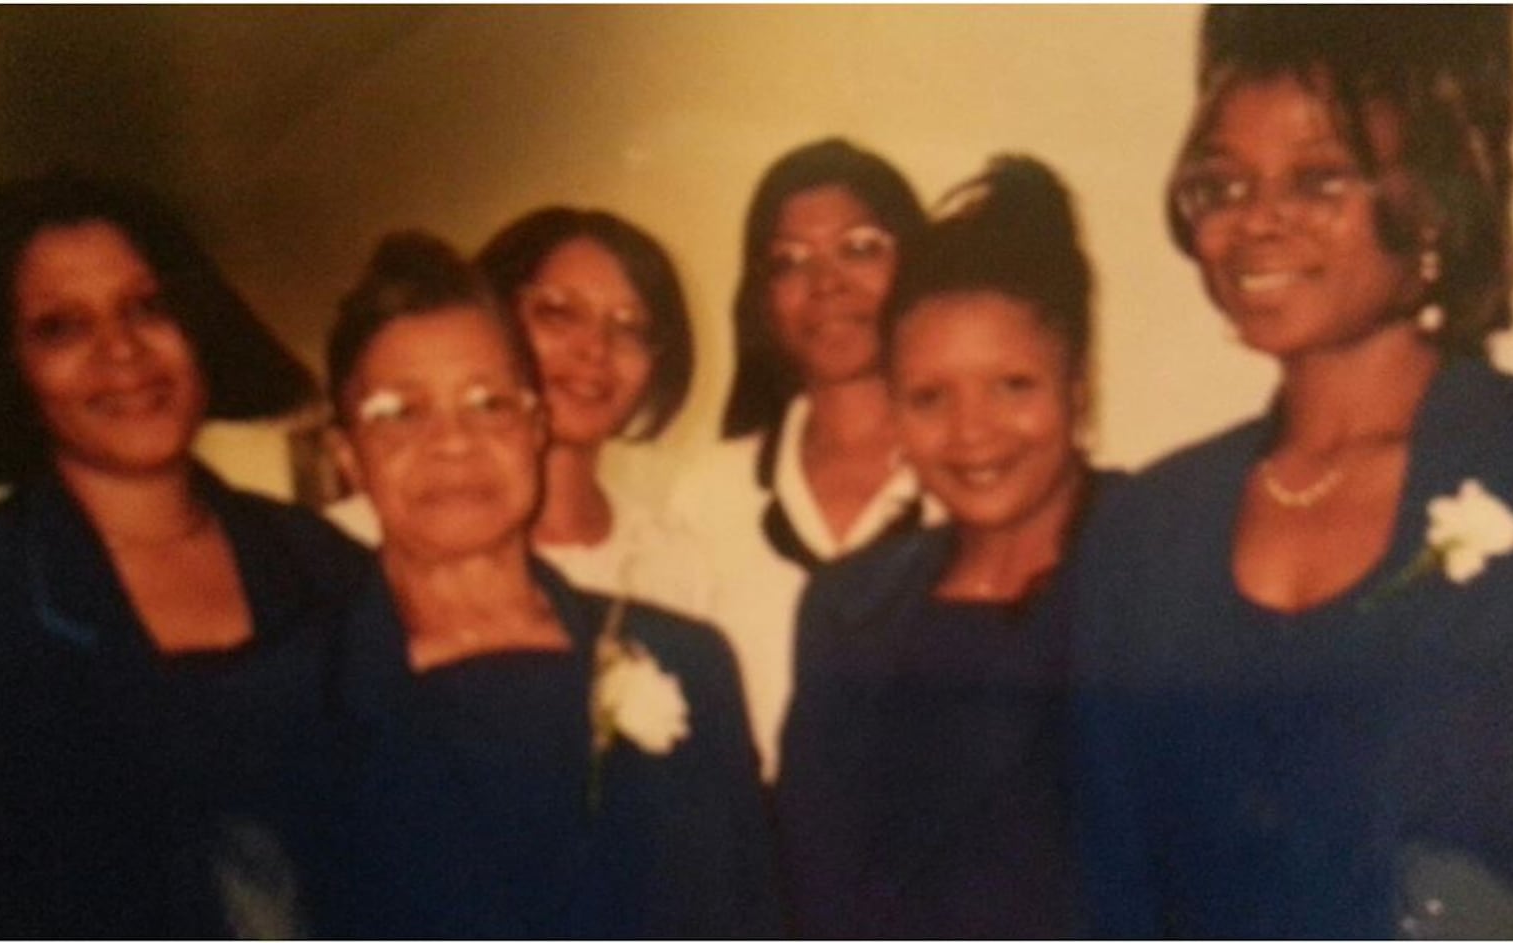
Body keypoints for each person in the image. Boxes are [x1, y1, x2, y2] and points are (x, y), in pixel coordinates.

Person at [1075, 7, 1513, 938]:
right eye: (1221, 184)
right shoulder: (1148, 529)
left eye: (1319, 178)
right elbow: (1115, 886)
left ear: (1427, 205)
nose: (1255, 220)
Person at [317, 232, 778, 938]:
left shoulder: (688, 658)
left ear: (534, 427)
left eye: (488, 404)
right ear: (347, 455)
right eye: (401, 413)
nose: (454, 442)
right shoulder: (297, 702)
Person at [0, 172, 370, 938]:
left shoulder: (326, 566)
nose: (121, 351)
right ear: (8, 364)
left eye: (147, 308)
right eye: (60, 327)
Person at [776, 155, 1114, 938]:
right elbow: (808, 881)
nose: (971, 434)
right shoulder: (847, 604)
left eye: (1013, 386)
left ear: (1077, 386)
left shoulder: (1155, 561)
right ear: (893, 408)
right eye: (930, 397)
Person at [664, 138, 930, 780]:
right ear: (762, 298)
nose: (826, 284)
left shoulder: (979, 472)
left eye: (861, 248)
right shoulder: (709, 493)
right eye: (789, 262)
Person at [474, 207, 709, 615]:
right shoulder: (372, 540)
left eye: (628, 328)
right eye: (559, 313)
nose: (595, 349)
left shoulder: (674, 564)